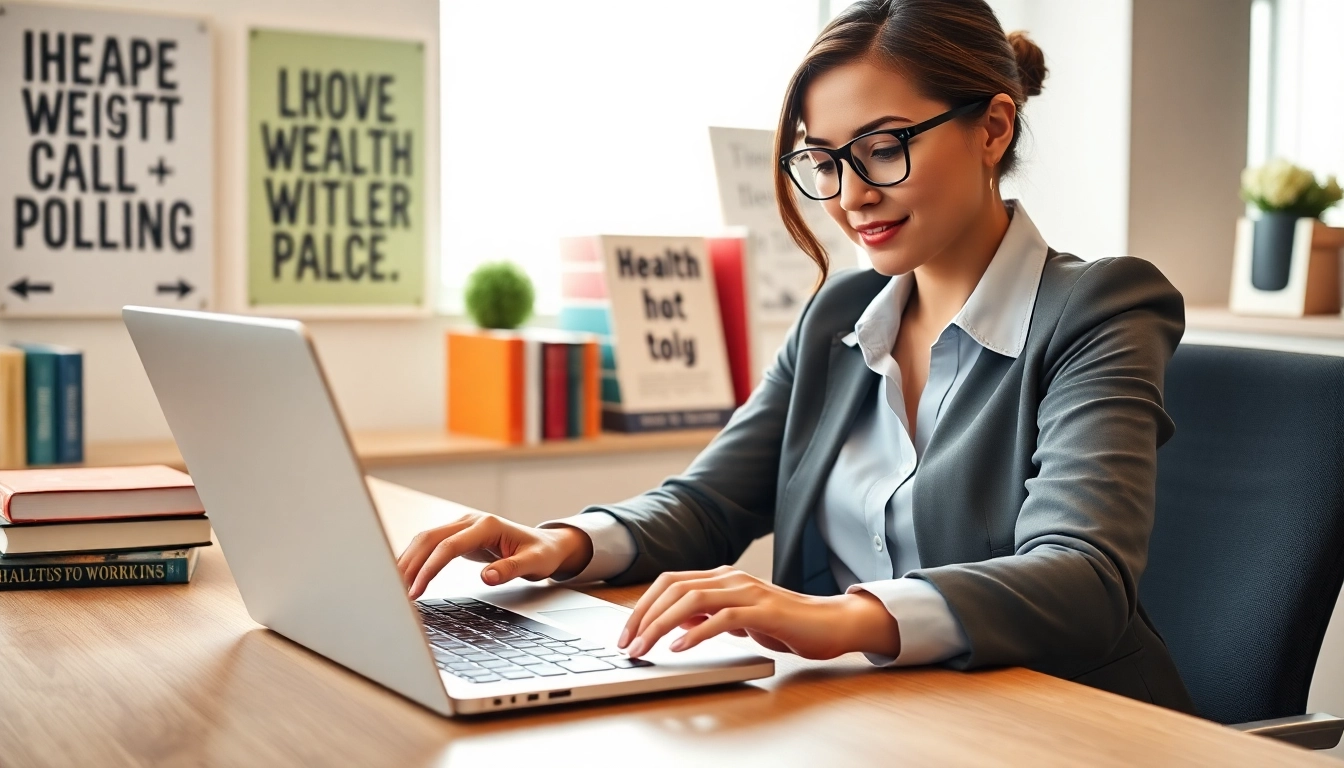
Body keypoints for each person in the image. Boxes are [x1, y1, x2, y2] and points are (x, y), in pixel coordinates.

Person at [399, 0, 1195, 712]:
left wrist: (840, 617)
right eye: (824, 161)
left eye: (883, 148)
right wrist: (563, 544)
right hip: (869, 713)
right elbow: (711, 503)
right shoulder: (839, 317)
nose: (851, 195)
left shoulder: (1102, 307)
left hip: (1061, 722)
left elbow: (1083, 576)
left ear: (992, 128)